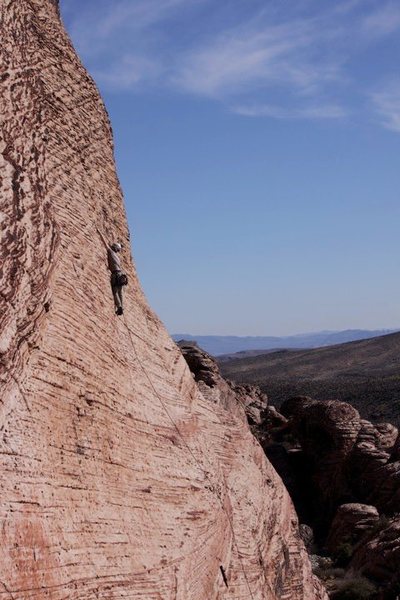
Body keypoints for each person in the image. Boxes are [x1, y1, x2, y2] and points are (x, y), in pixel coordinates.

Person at [98, 230, 126, 315]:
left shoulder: (111, 252)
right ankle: (122, 307)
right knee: (120, 292)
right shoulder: (117, 256)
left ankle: (119, 307)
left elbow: (104, 243)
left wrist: (99, 232)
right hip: (121, 274)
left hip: (115, 274)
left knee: (115, 292)